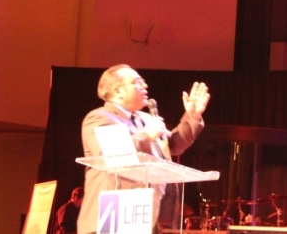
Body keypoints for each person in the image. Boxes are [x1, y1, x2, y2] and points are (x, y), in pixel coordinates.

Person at [77, 64, 210, 234]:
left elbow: (174, 145)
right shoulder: (100, 117)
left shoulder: (146, 119)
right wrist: (147, 135)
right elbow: (115, 154)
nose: (145, 86)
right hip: (110, 222)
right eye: (137, 82)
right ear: (118, 91)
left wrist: (193, 116)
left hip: (143, 222)